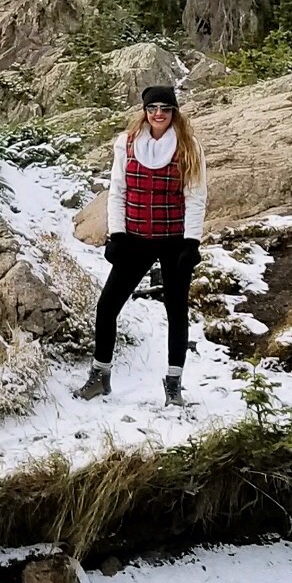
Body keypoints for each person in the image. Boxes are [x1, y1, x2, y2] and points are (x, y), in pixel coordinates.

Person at [77, 83, 206, 406]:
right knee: (107, 306)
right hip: (134, 238)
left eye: (165, 109)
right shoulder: (127, 143)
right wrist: (116, 235)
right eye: (152, 108)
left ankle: (174, 383)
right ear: (145, 112)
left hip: (174, 240)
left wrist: (191, 243)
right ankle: (100, 376)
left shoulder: (188, 147)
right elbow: (117, 191)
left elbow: (195, 196)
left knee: (176, 311)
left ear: (174, 112)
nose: (158, 114)